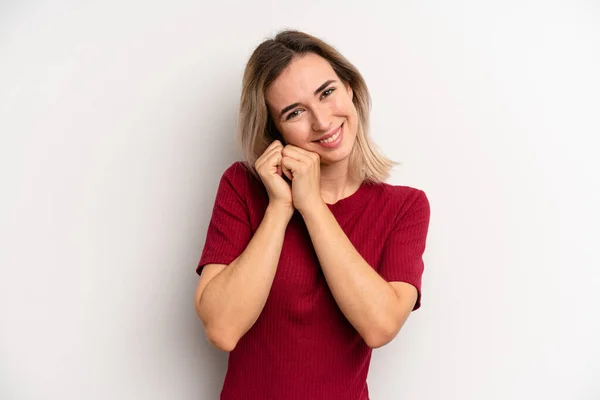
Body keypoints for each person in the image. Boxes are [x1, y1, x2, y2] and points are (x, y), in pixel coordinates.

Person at [194, 30, 431, 400]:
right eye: (295, 112)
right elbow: (222, 329)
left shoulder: (405, 207)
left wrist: (312, 205)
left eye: (327, 92)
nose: (321, 121)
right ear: (275, 130)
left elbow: (380, 326)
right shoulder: (242, 187)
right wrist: (279, 207)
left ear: (350, 88)